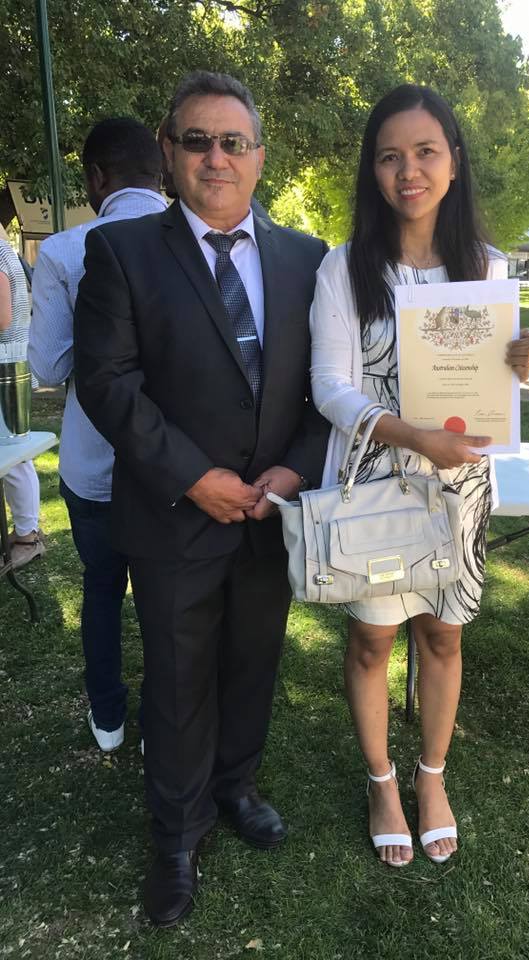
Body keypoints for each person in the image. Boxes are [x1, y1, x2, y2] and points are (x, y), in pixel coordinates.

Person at [73, 71, 329, 927]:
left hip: (273, 509)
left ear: (259, 155)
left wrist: (291, 472)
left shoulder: (308, 258)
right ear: (168, 150)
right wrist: (194, 476)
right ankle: (177, 838)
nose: (216, 157)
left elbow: (328, 390)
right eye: (197, 140)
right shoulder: (122, 252)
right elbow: (107, 385)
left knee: (254, 661)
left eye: (233, 141)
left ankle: (236, 787)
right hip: (176, 513)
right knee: (178, 680)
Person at [309, 85, 529, 869]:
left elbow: (495, 393)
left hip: (459, 491)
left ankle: (431, 777)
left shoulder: (488, 269)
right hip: (375, 488)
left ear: (454, 161)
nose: (408, 170)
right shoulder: (345, 268)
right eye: (390, 155)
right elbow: (330, 386)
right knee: (374, 642)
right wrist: (409, 434)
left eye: (425, 152)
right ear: (373, 171)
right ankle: (381, 780)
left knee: (443, 635)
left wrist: (520, 364)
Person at [28, 117, 166, 753]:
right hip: (176, 461)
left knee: (103, 589)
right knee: (171, 603)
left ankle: (108, 716)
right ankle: (161, 723)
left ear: (93, 178)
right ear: (161, 169)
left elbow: (50, 368)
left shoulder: (62, 252)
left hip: (94, 460)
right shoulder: (197, 241)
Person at [0, 228, 44, 569]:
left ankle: (28, 537)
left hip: (5, 364)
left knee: (13, 454)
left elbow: (1, 317)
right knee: (14, 452)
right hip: (9, 360)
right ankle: (26, 533)